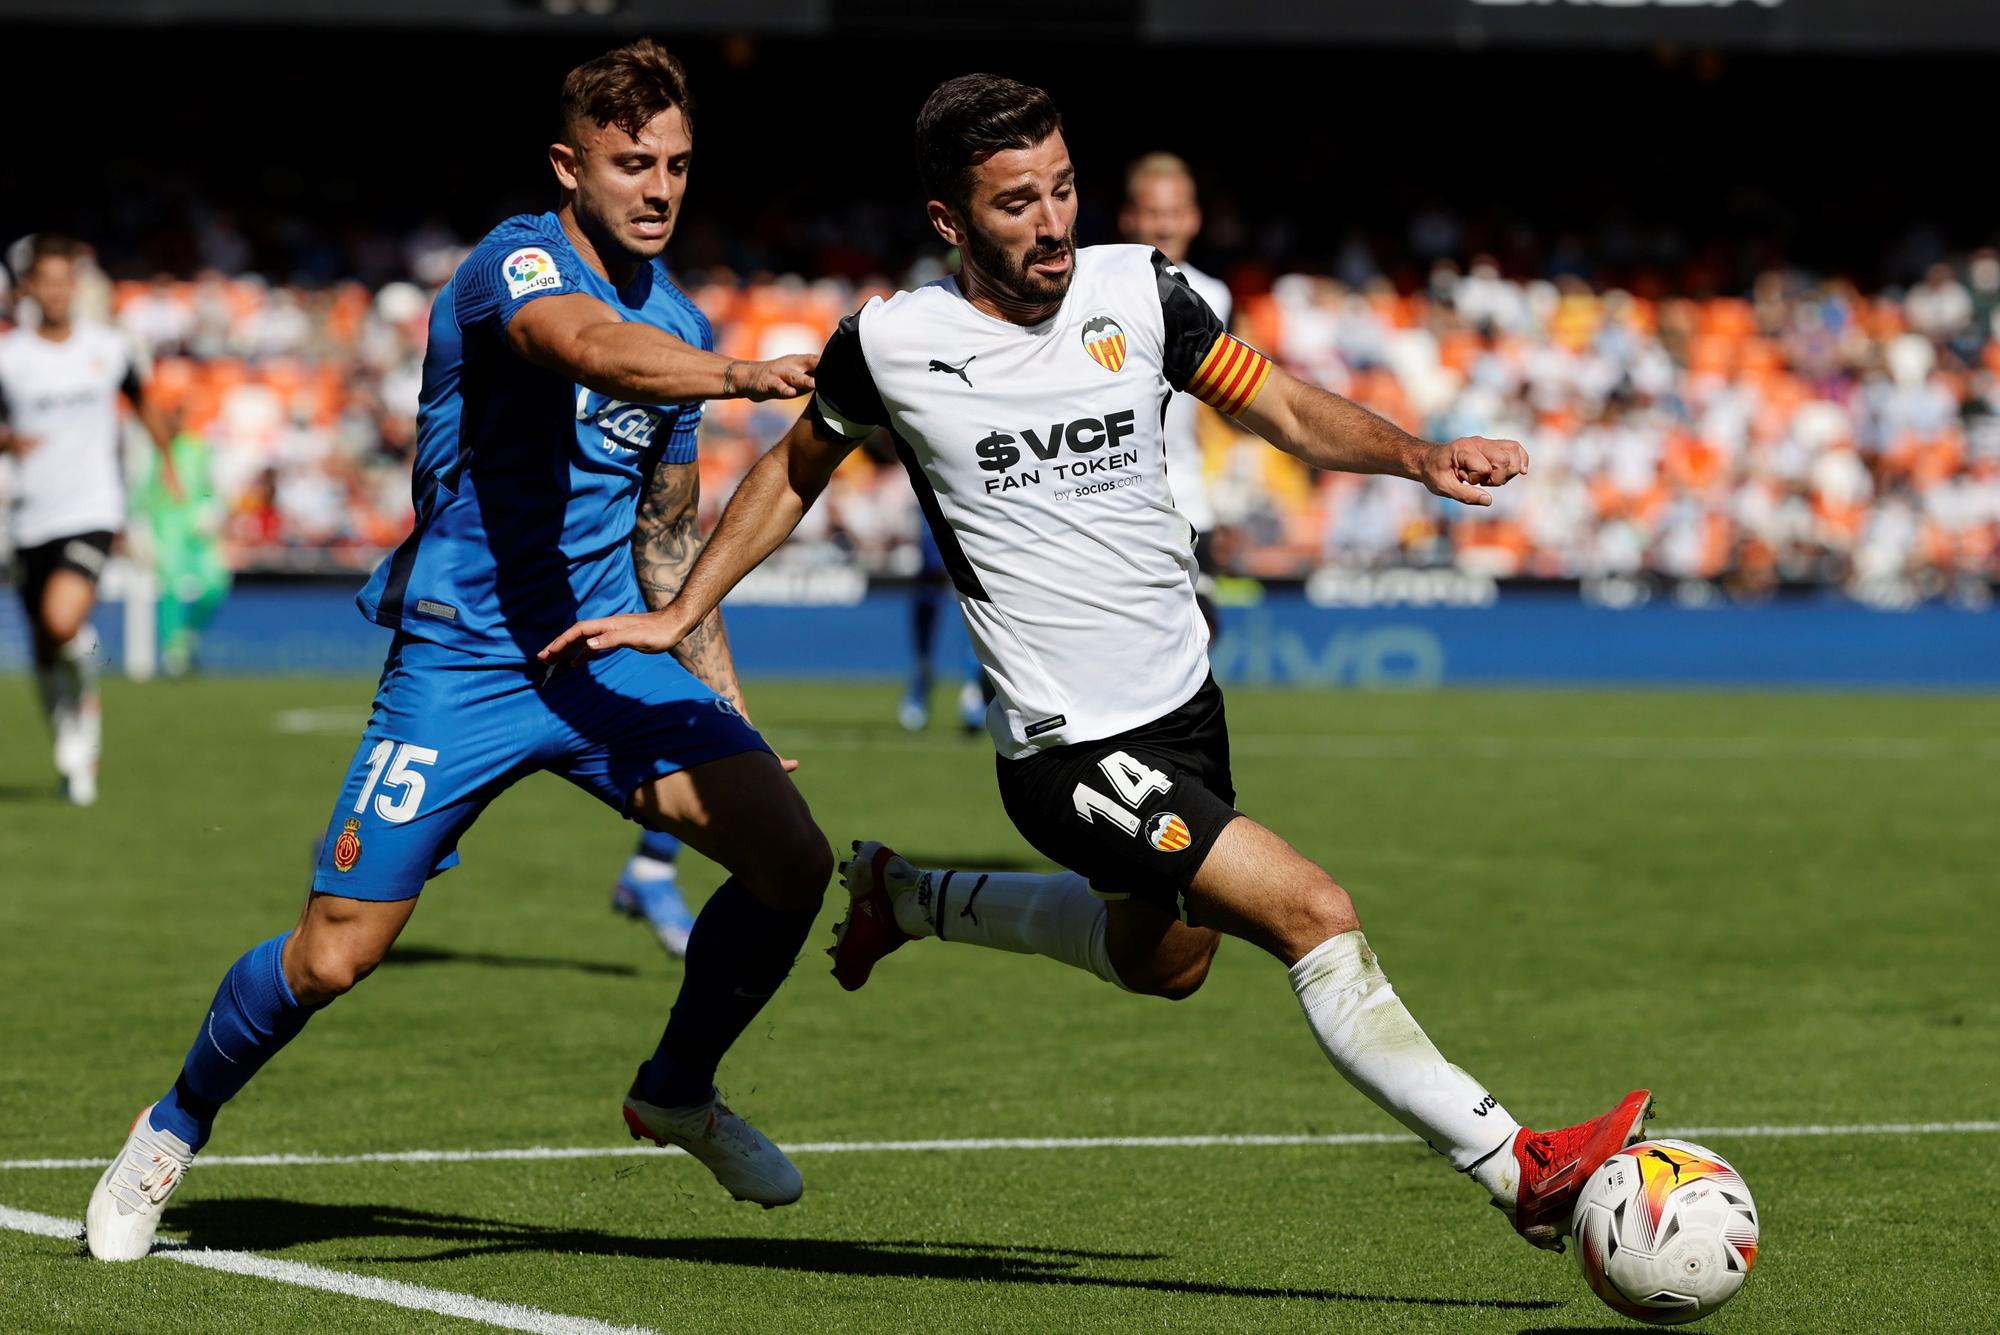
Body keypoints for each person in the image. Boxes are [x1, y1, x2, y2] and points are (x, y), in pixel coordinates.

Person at [539, 74, 1651, 1259]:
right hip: (1068, 746)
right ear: (948, 220)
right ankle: (1515, 1164)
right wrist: (684, 610)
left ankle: (906, 897)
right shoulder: (895, 343)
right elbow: (794, 471)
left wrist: (1415, 455)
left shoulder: (1140, 292)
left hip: (1183, 707)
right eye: (1015, 202)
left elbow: (1274, 405)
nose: (1052, 221)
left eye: (1063, 188)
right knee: (1311, 913)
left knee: (1162, 964)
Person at [85, 40, 833, 1264]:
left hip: (604, 662)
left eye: (678, 166)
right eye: (629, 163)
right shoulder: (513, 263)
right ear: (568, 166)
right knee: (335, 955)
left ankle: (678, 1089)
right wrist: (747, 370)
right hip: (464, 664)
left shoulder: (684, 319)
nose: (657, 188)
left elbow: (669, 539)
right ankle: (170, 1127)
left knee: (790, 862)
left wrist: (726, 704)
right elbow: (585, 348)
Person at [0, 235, 181, 805]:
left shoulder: (108, 347)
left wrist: (169, 462)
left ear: (75, 285)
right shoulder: (10, 356)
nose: (54, 290)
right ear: (28, 288)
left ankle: (86, 713)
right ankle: (73, 737)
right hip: (28, 514)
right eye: (44, 280)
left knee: (61, 620)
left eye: (63, 279)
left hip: (92, 508)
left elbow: (142, 399)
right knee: (44, 645)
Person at [1118, 152, 1230, 640]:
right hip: (1116, 484)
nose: (1164, 223)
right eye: (1152, 211)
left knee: (1201, 624)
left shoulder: (1216, 296)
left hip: (1183, 483)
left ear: (1194, 217)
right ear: (1130, 217)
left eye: (1174, 211)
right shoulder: (1098, 288)